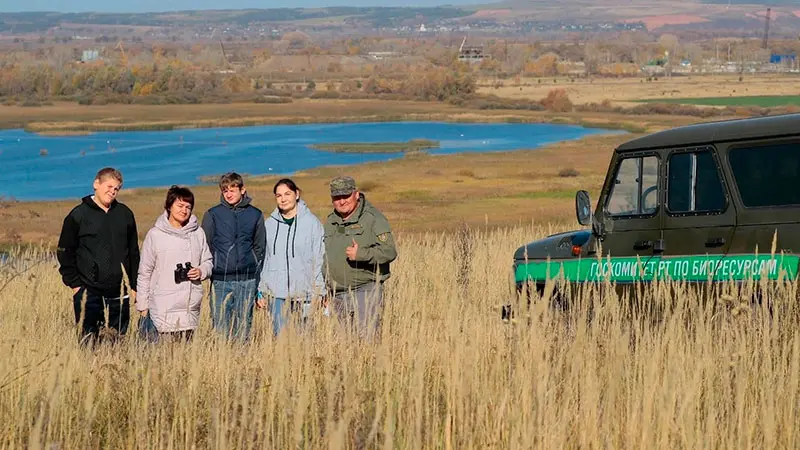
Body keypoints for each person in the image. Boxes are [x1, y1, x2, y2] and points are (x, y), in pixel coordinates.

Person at [57, 167, 140, 346]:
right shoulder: (78, 215)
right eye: (109, 186)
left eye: (117, 188)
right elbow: (65, 251)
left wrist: (134, 285)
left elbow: (133, 252)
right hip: (88, 291)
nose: (112, 191)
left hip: (119, 292)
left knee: (119, 343)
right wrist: (75, 285)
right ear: (96, 184)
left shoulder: (125, 214)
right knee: (89, 343)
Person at [136, 186, 213, 343]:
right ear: (169, 206)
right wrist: (143, 306)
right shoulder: (155, 235)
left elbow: (208, 261)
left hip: (189, 309)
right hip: (162, 309)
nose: (184, 210)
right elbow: (145, 272)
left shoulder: (198, 233)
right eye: (180, 206)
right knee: (160, 359)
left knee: (184, 359)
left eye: (188, 207)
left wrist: (201, 271)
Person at [323, 175, 397, 339]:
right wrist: (325, 289)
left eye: (346, 196)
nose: (341, 202)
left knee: (366, 343)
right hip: (337, 294)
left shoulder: (373, 218)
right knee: (342, 346)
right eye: (337, 197)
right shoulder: (331, 221)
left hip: (365, 290)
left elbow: (390, 251)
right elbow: (327, 255)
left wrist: (362, 254)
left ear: (356, 194)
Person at [201, 172, 267, 341]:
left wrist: (253, 271)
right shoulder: (212, 214)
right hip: (220, 281)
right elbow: (206, 246)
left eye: (232, 190)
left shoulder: (255, 214)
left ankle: (241, 364)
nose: (228, 194)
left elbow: (259, 247)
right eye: (225, 191)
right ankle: (222, 362)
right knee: (221, 328)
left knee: (244, 328)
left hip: (247, 281)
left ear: (242, 189)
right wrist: (216, 266)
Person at [256, 179, 326, 336]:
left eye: (287, 194)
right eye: (279, 195)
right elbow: (264, 259)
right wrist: (261, 289)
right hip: (277, 295)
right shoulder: (269, 225)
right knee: (281, 340)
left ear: (297, 194)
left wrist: (320, 291)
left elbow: (319, 258)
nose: (283, 199)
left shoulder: (312, 223)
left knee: (305, 339)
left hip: (305, 294)